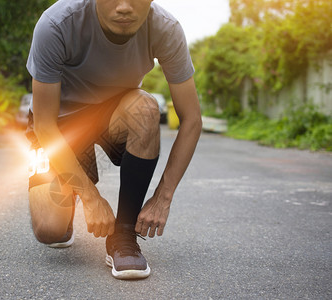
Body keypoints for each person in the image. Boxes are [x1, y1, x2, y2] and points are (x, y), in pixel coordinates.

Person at [26, 0, 202, 280]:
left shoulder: (165, 28)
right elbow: (44, 126)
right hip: (61, 125)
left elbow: (191, 119)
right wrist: (90, 196)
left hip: (115, 115)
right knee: (50, 230)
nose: (124, 7)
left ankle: (123, 235)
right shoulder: (56, 24)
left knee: (145, 108)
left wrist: (163, 197)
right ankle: (74, 182)